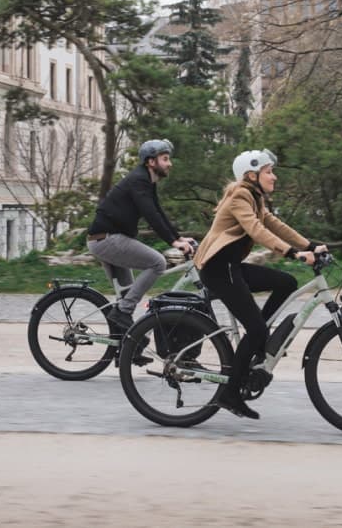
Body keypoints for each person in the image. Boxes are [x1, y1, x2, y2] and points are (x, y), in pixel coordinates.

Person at [193, 149, 326, 420]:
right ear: (251, 175)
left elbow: (276, 225)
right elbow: (256, 230)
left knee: (286, 282)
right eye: (268, 172)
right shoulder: (241, 195)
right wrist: (292, 253)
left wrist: (310, 245)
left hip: (232, 267)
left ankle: (258, 337)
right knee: (255, 330)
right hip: (219, 270)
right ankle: (230, 394)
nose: (274, 177)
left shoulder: (254, 197)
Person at [86, 139, 195, 332]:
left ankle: (127, 350)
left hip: (106, 239)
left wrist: (178, 238)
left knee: (126, 295)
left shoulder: (146, 180)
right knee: (158, 263)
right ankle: (123, 312)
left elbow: (157, 211)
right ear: (151, 162)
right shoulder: (139, 180)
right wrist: (173, 241)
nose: (170, 163)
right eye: (165, 159)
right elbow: (150, 214)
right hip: (107, 239)